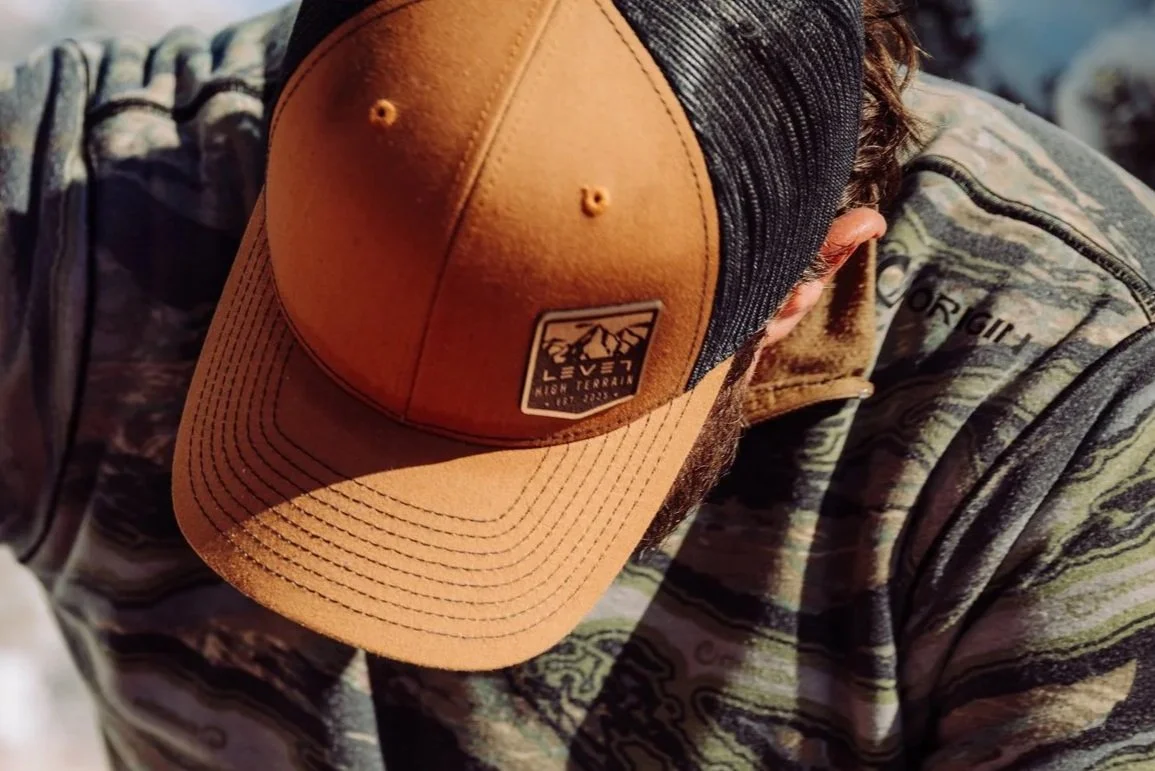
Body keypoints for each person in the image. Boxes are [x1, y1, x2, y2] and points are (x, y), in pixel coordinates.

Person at [2, 0, 1154, 767]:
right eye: (324, 392)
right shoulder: (73, 222)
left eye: (526, 459)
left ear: (812, 278)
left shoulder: (1072, 410)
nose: (401, 592)